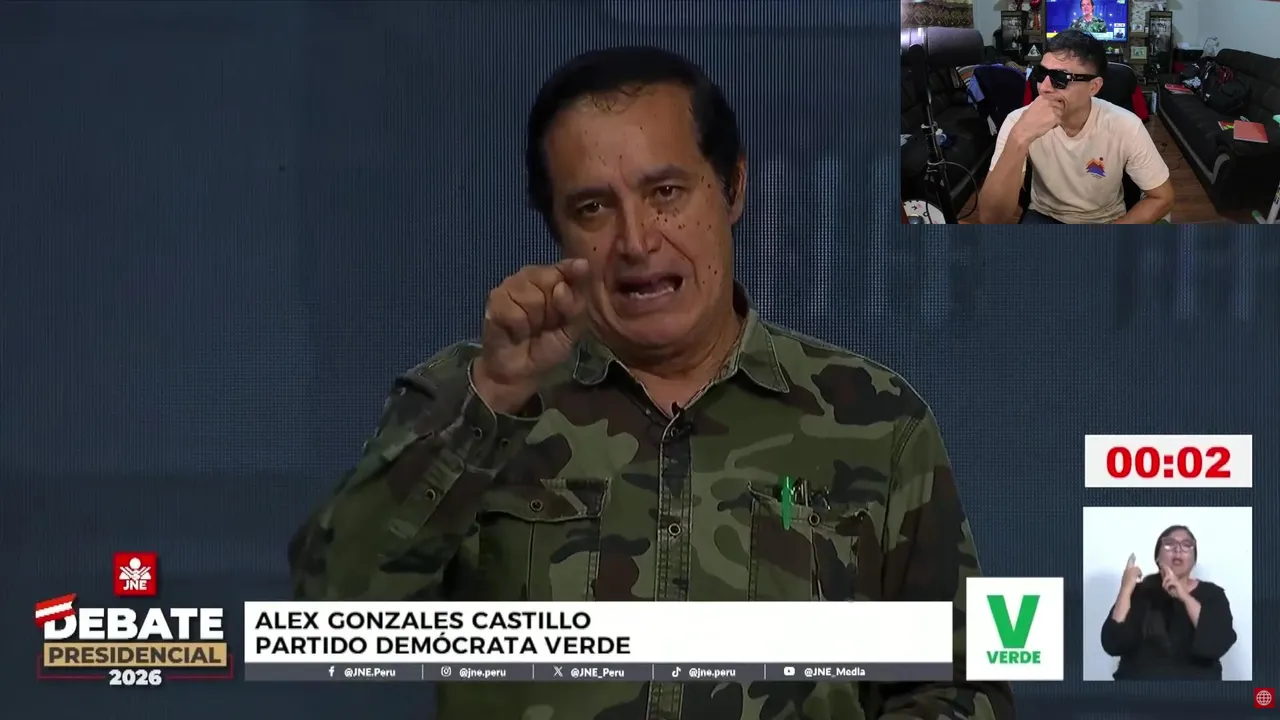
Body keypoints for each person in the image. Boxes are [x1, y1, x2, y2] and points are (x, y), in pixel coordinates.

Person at [288, 45, 1015, 720]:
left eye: (665, 191)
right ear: (556, 229)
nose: (636, 241)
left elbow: (964, 684)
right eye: (592, 208)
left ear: (732, 187)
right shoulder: (469, 397)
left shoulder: (879, 421)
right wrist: (491, 402)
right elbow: (332, 623)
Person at [978, 30, 1174, 224]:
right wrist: (1020, 137)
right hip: (1044, 215)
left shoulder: (1126, 125)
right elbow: (990, 218)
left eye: (1060, 78)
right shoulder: (1018, 122)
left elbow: (1162, 197)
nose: (1044, 88)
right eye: (1041, 73)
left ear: (1094, 87)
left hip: (1105, 220)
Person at [1100, 525, 1239, 680]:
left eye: (1187, 545)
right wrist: (1126, 588)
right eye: (1169, 544)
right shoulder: (1139, 593)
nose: (1178, 550)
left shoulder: (1212, 594)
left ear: (1194, 558)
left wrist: (1184, 596)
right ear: (1157, 557)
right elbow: (1112, 643)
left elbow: (1217, 642)